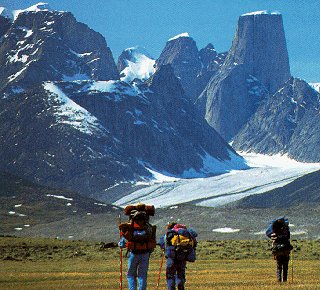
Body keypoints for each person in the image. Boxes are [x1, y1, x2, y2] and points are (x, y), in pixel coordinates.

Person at [119, 204, 156, 290]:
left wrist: (121, 244)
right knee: (142, 275)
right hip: (145, 253)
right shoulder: (148, 227)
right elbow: (152, 239)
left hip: (133, 253)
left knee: (131, 275)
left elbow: (124, 241)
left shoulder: (130, 227)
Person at [158, 222, 197, 290]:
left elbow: (161, 243)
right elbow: (194, 244)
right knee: (181, 274)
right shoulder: (186, 234)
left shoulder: (170, 233)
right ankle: (180, 285)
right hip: (183, 257)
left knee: (170, 275)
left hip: (171, 258)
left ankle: (171, 288)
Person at [266, 217, 293, 283]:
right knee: (285, 267)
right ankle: (285, 280)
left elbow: (269, 234)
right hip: (285, 251)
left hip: (278, 251)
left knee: (279, 267)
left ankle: (279, 280)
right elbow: (288, 238)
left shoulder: (274, 233)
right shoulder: (286, 232)